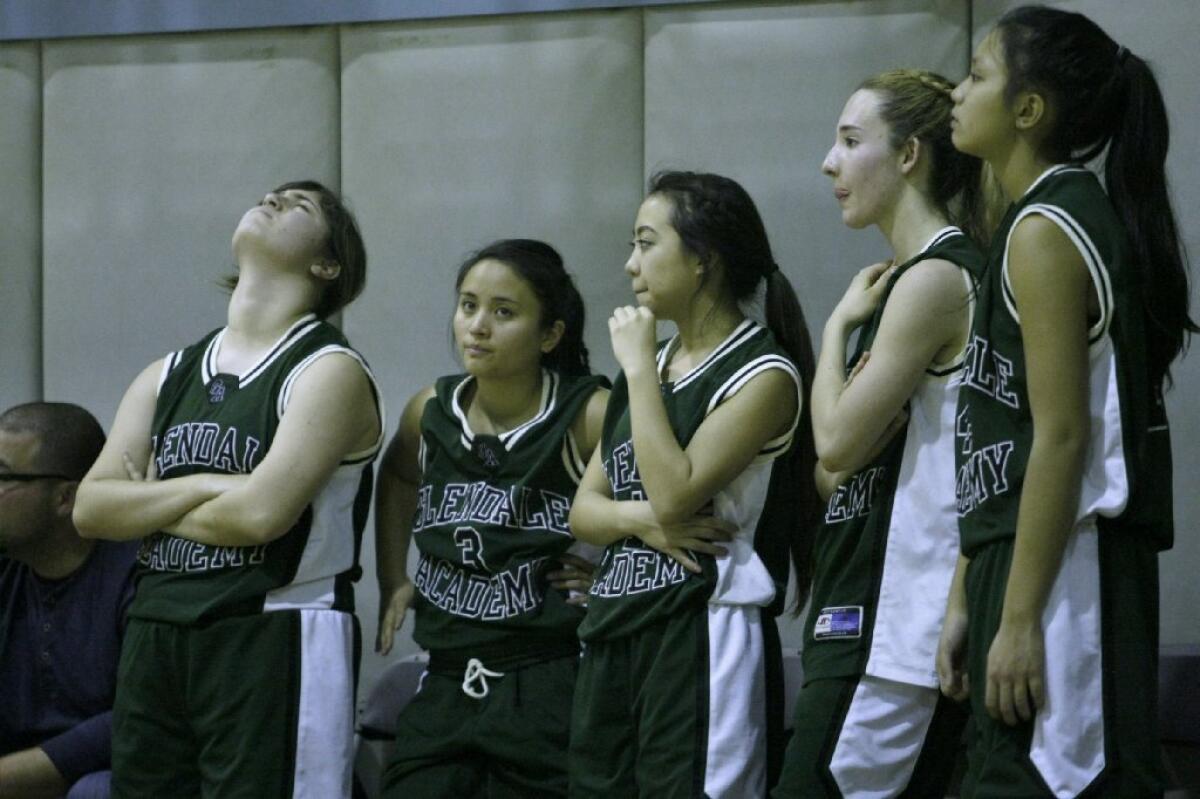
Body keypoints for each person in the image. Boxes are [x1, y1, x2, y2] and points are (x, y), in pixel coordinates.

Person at [939, 6, 1196, 796]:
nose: (957, 90)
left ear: (1028, 109)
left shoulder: (1047, 229)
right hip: (1015, 559)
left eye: (977, 75)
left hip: (1063, 569)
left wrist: (1018, 618)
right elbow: (1000, 442)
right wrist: (963, 593)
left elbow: (1059, 437)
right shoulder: (1025, 223)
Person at [72, 180, 383, 798]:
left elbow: (260, 516)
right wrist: (215, 486)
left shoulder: (329, 370)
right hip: (156, 625)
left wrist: (149, 505)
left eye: (299, 205)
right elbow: (89, 509)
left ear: (327, 264)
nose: (272, 199)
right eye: (271, 194)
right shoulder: (167, 372)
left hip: (272, 629)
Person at [569, 171, 819, 798]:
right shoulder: (648, 367)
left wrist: (635, 369)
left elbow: (676, 491)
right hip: (616, 624)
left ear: (703, 260)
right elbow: (584, 511)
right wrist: (640, 523)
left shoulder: (765, 375)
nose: (630, 265)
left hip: (702, 626)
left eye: (646, 243)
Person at [773, 71, 985, 798]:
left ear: (909, 156)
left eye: (850, 140)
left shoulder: (936, 278)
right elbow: (832, 475)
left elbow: (831, 442)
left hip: (900, 625)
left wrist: (832, 332)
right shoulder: (897, 284)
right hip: (855, 609)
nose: (829, 162)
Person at [375, 239, 608, 798]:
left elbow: (662, 504)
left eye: (503, 312)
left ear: (549, 335)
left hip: (548, 677)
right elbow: (399, 477)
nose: (477, 326)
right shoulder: (430, 409)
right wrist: (393, 578)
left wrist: (612, 585)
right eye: (468, 305)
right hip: (448, 677)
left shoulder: (588, 414)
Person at [0, 403, 136, 799]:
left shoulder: (136, 573)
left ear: (66, 498)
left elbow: (134, 719)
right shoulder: (10, 569)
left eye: (3, 476)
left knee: (93, 791)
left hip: (109, 772)